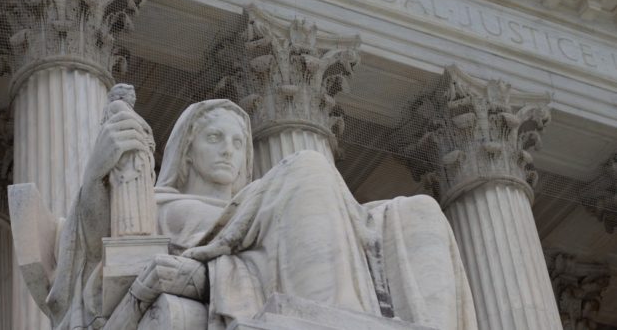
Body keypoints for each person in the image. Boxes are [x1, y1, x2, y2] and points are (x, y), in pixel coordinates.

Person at [47, 99, 476, 330]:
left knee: (419, 210)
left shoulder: (260, 200)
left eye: (237, 142)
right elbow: (93, 261)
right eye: (214, 137)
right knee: (307, 166)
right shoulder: (158, 204)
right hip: (257, 275)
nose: (228, 150)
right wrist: (96, 172)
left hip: (263, 263)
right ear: (188, 152)